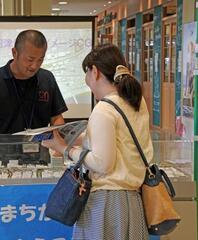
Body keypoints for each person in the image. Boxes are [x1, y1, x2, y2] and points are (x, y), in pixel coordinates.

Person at [42, 44, 153, 239]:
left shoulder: (104, 109)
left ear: (95, 71)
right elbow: (120, 140)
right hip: (133, 199)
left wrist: (64, 148)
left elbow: (102, 163)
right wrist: (80, 138)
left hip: (107, 203)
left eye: (86, 73)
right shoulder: (135, 101)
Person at [0, 29, 68, 164]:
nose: (35, 66)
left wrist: (59, 148)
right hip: (3, 160)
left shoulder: (47, 79)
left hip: (40, 158)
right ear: (15, 53)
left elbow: (56, 117)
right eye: (30, 59)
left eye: (40, 60)